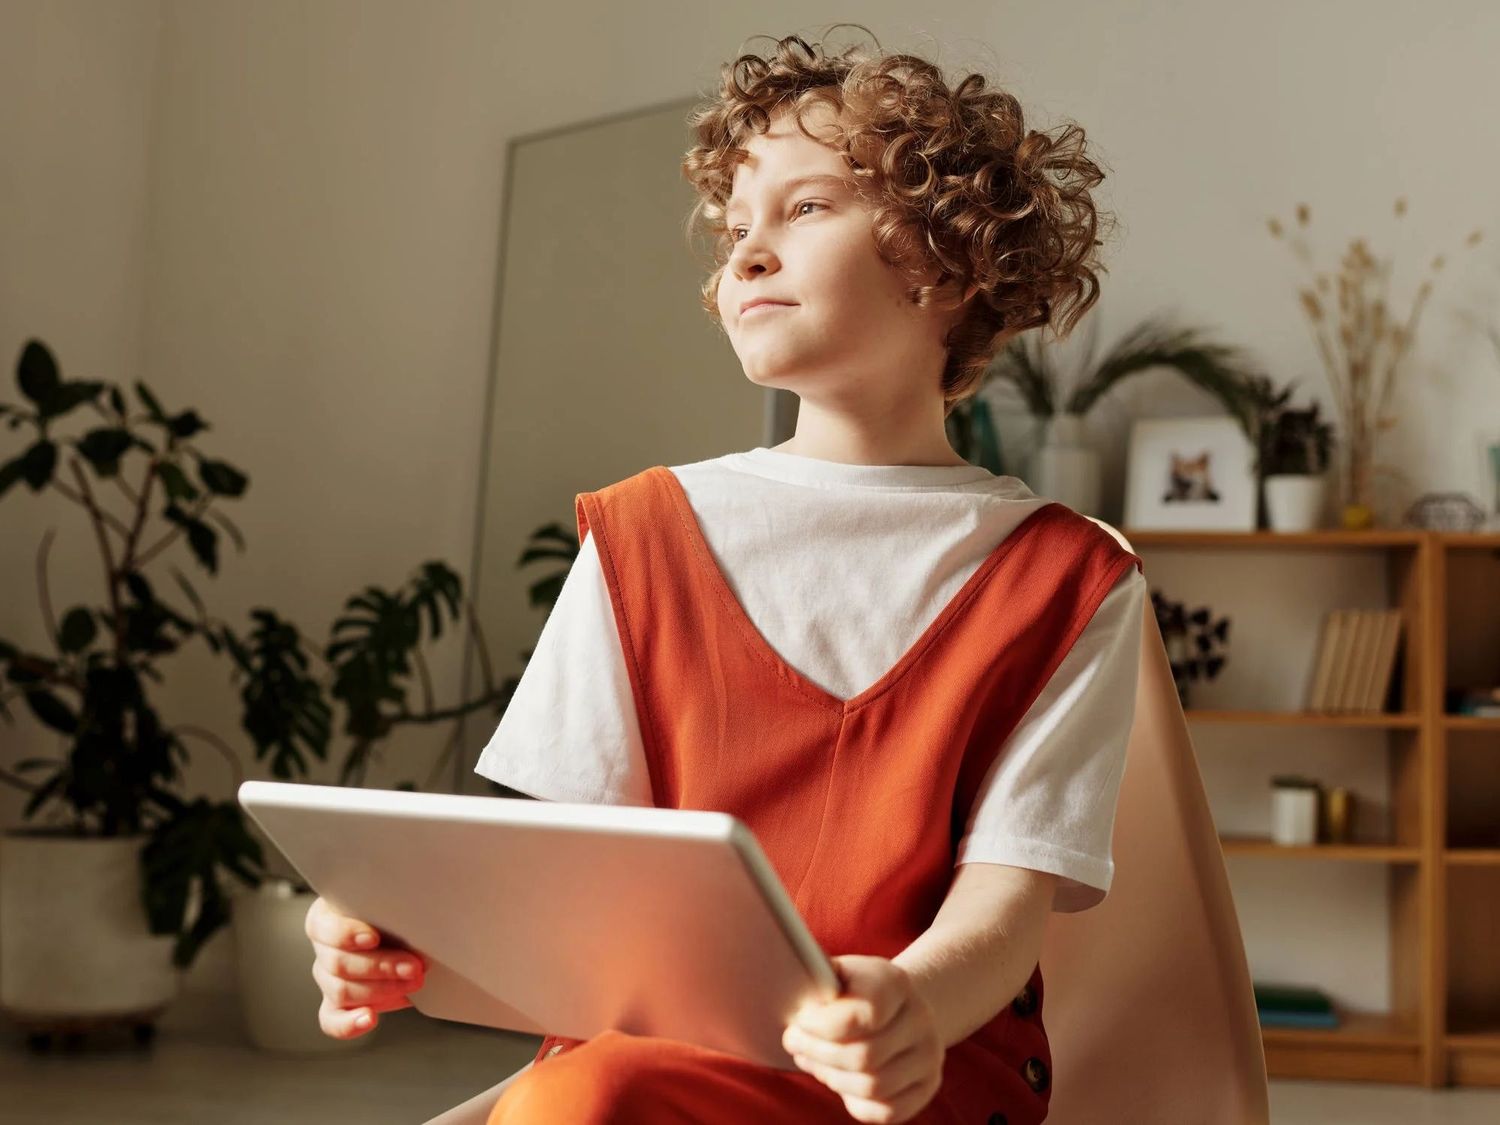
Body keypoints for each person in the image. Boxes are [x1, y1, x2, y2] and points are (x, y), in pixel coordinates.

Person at [306, 26, 1145, 1125]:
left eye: (805, 209)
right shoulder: (641, 531)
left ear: (951, 259)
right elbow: (565, 887)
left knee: (586, 1101)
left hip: (913, 1077)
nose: (746, 253)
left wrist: (910, 1005)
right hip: (649, 1064)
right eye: (735, 227)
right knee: (589, 1093)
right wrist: (398, 942)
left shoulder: (1068, 577)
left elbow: (1005, 909)